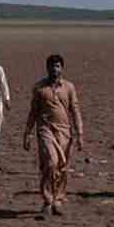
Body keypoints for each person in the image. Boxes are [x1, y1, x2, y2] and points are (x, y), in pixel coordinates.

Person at [23, 54, 85, 216]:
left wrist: (79, 133)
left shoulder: (69, 87)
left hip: (64, 132)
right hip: (45, 130)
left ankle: (58, 199)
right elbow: (33, 112)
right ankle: (47, 199)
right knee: (51, 162)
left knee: (62, 167)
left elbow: (75, 110)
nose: (54, 69)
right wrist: (27, 133)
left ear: (62, 68)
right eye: (51, 66)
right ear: (47, 68)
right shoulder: (39, 88)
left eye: (57, 66)